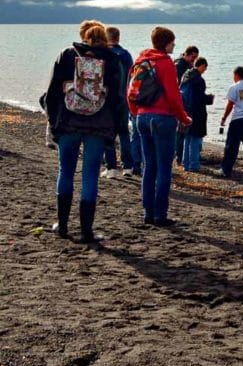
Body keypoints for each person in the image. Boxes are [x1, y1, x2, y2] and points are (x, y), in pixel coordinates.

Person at [43, 21, 123, 243]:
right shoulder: (112, 59)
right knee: (90, 176)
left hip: (68, 123)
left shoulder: (67, 55)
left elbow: (51, 93)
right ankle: (87, 231)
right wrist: (115, 128)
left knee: (65, 172)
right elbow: (117, 98)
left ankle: (63, 226)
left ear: (84, 35)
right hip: (98, 127)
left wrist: (53, 121)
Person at [129, 27, 191, 227]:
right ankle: (160, 214)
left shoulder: (141, 61)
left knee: (149, 166)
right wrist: (184, 117)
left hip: (142, 117)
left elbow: (129, 91)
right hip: (162, 119)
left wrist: (136, 112)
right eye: (172, 42)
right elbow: (174, 96)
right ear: (166, 43)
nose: (174, 45)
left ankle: (148, 212)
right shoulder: (165, 64)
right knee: (164, 168)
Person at [106, 26, 140, 176]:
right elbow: (133, 78)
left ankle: (111, 167)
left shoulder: (105, 54)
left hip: (108, 100)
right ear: (118, 38)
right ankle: (128, 166)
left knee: (108, 134)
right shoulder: (126, 55)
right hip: (124, 98)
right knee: (124, 133)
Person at [180, 57, 214, 172]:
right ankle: (194, 164)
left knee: (187, 137)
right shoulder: (199, 80)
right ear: (201, 66)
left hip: (186, 110)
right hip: (197, 112)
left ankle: (185, 163)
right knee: (195, 138)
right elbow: (199, 98)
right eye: (205, 67)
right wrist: (210, 98)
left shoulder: (186, 75)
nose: (205, 70)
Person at [173, 45, 199, 165]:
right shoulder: (180, 65)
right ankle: (179, 155)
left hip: (183, 100)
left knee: (182, 130)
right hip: (180, 101)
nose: (194, 60)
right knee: (180, 131)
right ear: (187, 54)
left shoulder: (187, 65)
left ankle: (180, 154)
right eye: (193, 57)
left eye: (195, 58)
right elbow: (179, 84)